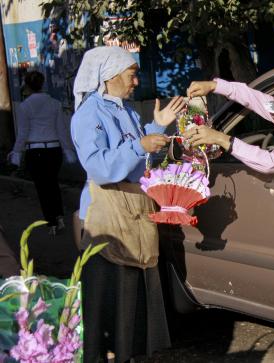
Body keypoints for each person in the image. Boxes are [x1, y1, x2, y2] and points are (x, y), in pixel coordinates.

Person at [71, 46, 185, 363]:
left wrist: (157, 127)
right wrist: (140, 144)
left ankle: (129, 352)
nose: (137, 81)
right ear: (110, 76)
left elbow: (137, 153)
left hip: (134, 208)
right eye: (132, 74)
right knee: (110, 295)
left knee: (135, 292)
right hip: (107, 215)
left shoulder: (127, 110)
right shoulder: (89, 113)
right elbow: (98, 167)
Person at [184, 79, 274, 173]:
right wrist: (213, 85)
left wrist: (221, 139)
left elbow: (270, 162)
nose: (273, 115)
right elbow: (254, 98)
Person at [8, 70, 76, 235]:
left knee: (42, 187)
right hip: (54, 150)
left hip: (35, 151)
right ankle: (59, 216)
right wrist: (67, 149)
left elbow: (23, 132)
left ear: (27, 86)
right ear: (42, 84)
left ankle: (51, 222)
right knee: (53, 184)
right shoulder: (55, 103)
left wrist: (16, 152)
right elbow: (61, 129)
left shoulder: (25, 106)